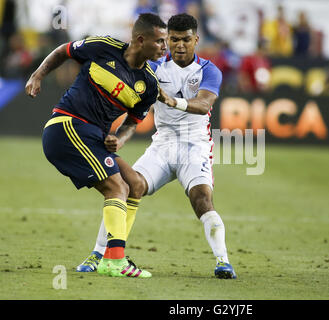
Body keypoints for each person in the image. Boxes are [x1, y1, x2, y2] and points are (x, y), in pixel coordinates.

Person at [77, 13, 237, 279]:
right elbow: (132, 107)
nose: (180, 45)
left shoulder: (209, 70)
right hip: (162, 145)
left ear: (196, 39)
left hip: (194, 146)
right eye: (174, 39)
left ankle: (223, 260)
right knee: (129, 187)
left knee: (202, 199)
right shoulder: (153, 67)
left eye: (186, 39)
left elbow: (204, 105)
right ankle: (99, 253)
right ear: (167, 39)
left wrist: (174, 102)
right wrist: (119, 136)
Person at [25, 13, 167, 279]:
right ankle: (114, 260)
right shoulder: (104, 47)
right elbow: (63, 51)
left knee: (134, 184)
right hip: (67, 126)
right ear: (140, 39)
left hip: (95, 138)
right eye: (160, 41)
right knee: (116, 187)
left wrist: (120, 139)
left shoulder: (148, 83)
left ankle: (103, 254)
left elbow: (132, 123)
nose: (164, 47)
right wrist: (37, 75)